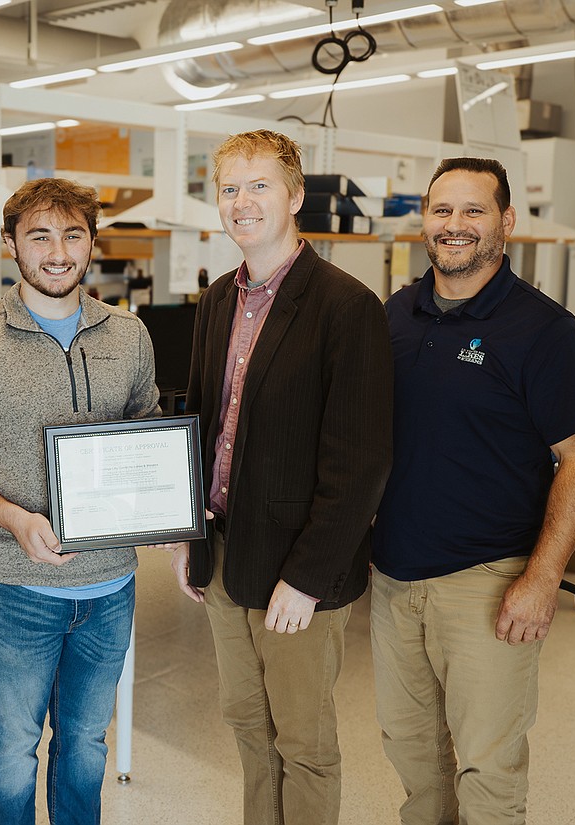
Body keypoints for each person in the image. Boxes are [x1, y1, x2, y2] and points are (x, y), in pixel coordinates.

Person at [0, 177, 160, 825]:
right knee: (13, 747)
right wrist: (13, 517)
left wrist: (159, 507)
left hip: (110, 585)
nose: (57, 251)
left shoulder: (128, 334)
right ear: (10, 245)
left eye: (73, 234)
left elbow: (147, 429)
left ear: (91, 243)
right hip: (13, 587)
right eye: (39, 235)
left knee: (84, 744)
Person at [371, 157, 575, 825]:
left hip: (487, 579)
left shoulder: (544, 330)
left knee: (488, 767)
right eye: (442, 210)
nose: (455, 225)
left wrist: (543, 576)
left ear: (506, 221)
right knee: (413, 756)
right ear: (425, 220)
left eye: (474, 210)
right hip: (393, 577)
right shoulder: (396, 313)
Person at [168, 129, 393, 825]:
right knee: (246, 723)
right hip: (226, 549)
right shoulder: (214, 303)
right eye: (230, 189)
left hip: (299, 566)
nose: (242, 203)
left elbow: (360, 462)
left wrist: (308, 576)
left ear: (295, 195)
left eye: (259, 185)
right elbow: (200, 431)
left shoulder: (346, 306)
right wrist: (187, 536)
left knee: (303, 740)